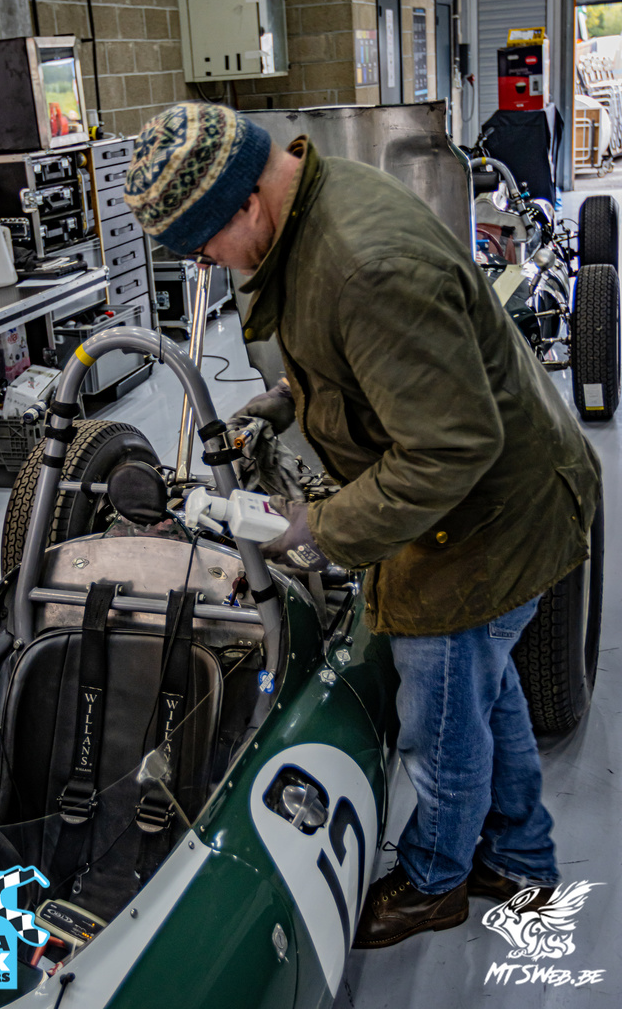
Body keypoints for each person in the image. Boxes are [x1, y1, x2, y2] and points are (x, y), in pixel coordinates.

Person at [124, 101, 601, 948]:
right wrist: (285, 401)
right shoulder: (315, 203)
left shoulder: (362, 263)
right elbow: (364, 359)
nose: (204, 263)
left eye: (202, 244)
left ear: (246, 203)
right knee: (485, 692)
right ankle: (519, 858)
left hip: (487, 518)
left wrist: (316, 526)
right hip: (490, 496)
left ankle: (436, 881)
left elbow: (450, 450)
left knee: (441, 720)